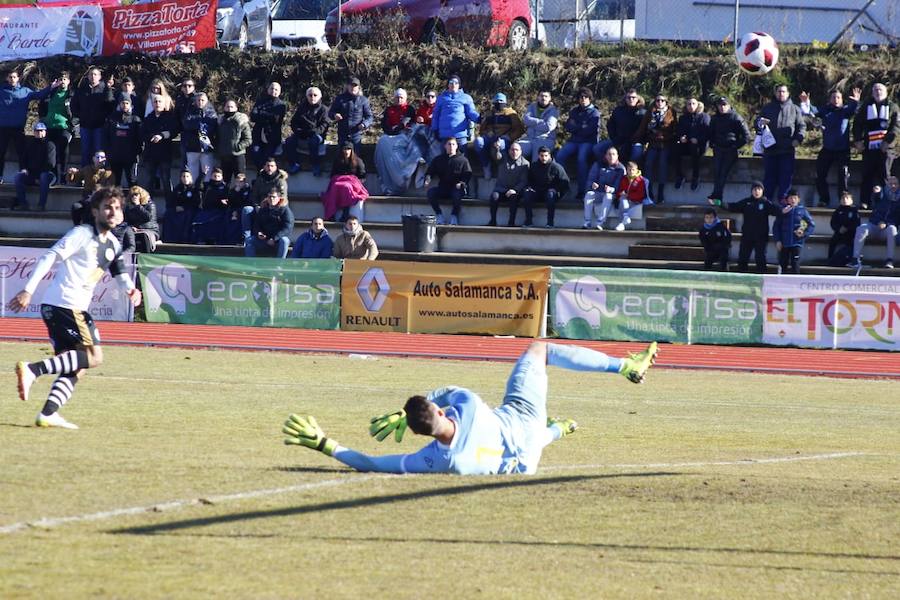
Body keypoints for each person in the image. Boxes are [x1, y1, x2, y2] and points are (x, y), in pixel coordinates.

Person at [282, 341, 659, 475]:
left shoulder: (436, 462)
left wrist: (323, 443)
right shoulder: (471, 405)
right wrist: (403, 408)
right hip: (521, 419)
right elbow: (447, 391)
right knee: (539, 349)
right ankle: (628, 367)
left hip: (523, 463)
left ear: (419, 435)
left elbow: (370, 463)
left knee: (527, 444)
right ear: (442, 413)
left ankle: (561, 428)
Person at [8, 187, 143, 429]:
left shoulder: (112, 242)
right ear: (95, 211)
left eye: (117, 208)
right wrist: (28, 289)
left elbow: (120, 273)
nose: (113, 212)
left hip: (67, 306)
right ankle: (33, 369)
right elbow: (51, 256)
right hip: (66, 304)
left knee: (78, 365)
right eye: (107, 207)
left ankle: (48, 413)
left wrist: (130, 289)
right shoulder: (81, 234)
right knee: (94, 357)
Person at [1, 69, 59, 183]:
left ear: (18, 78)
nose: (12, 79)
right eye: (10, 77)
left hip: (18, 127)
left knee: (22, 152)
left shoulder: (25, 91)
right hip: (3, 126)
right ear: (7, 78)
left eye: (14, 77)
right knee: (1, 152)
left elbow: (39, 95)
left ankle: (23, 174)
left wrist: (51, 87)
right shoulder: (2, 91)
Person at [853, 83, 900, 209]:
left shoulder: (893, 107)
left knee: (885, 175)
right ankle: (865, 201)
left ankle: (887, 202)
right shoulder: (866, 106)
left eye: (880, 89)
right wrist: (858, 140)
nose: (878, 92)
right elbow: (857, 124)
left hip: (886, 149)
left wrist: (887, 142)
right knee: (867, 175)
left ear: (886, 92)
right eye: (875, 90)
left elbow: (896, 127)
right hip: (869, 147)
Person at [758, 85, 805, 203]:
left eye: (783, 91)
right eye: (779, 91)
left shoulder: (795, 109)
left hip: (787, 149)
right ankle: (766, 200)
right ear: (775, 93)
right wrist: (760, 123)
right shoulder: (767, 108)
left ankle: (783, 200)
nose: (781, 94)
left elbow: (802, 126)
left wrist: (798, 139)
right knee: (769, 177)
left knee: (786, 178)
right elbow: (757, 122)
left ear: (788, 93)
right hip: (770, 149)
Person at [815, 88, 861, 207]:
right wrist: (806, 104)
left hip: (842, 149)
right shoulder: (825, 110)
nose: (836, 100)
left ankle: (843, 200)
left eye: (838, 98)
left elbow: (854, 109)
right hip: (828, 148)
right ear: (830, 99)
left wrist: (856, 101)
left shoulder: (845, 110)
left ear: (841, 99)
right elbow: (814, 113)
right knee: (820, 173)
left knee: (843, 174)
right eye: (833, 97)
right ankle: (824, 199)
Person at [720, 181, 779, 273]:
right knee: (743, 258)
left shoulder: (766, 203)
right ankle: (741, 278)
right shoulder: (746, 202)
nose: (757, 191)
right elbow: (732, 206)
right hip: (747, 236)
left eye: (759, 189)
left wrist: (785, 209)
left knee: (760, 258)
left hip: (761, 237)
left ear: (762, 191)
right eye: (755, 189)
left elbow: (777, 211)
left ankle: (761, 279)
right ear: (752, 191)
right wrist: (719, 203)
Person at [374, 88, 421, 195]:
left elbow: (409, 123)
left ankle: (402, 179)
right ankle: (386, 182)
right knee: (382, 142)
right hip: (391, 135)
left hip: (405, 136)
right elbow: (386, 126)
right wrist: (396, 128)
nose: (399, 99)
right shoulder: (389, 110)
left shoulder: (409, 109)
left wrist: (399, 127)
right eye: (397, 97)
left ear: (405, 99)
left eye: (401, 97)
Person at [556, 88, 601, 198]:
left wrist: (576, 126)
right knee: (559, 155)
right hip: (574, 141)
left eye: (586, 97)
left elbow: (591, 130)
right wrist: (581, 127)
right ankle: (563, 185)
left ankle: (582, 190)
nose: (583, 99)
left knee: (581, 159)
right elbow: (567, 127)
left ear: (590, 99)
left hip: (589, 141)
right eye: (581, 97)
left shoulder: (594, 112)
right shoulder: (574, 111)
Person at [634, 93, 677, 203]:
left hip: (665, 143)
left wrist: (665, 136)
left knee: (663, 164)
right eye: (657, 100)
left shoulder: (671, 112)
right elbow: (642, 128)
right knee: (648, 164)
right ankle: (649, 192)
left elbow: (674, 129)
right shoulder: (650, 112)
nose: (660, 103)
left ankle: (661, 193)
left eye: (662, 100)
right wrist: (636, 139)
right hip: (652, 143)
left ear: (666, 102)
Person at [848, 177, 899, 270]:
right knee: (861, 228)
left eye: (895, 183)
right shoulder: (883, 193)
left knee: (893, 229)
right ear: (887, 184)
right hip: (874, 225)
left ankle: (889, 260)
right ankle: (855, 259)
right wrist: (877, 192)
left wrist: (886, 224)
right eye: (890, 183)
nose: (893, 186)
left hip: (887, 229)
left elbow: (897, 218)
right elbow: (876, 198)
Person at [707, 97, 750, 204]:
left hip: (730, 149)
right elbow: (710, 133)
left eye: (724, 105)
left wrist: (735, 146)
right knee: (717, 173)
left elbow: (747, 136)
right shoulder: (715, 118)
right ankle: (716, 196)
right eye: (720, 105)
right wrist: (712, 144)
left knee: (723, 173)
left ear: (729, 105)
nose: (722, 107)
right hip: (718, 149)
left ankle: (717, 196)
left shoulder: (736, 117)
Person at [474, 92, 525, 179]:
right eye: (497, 101)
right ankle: (486, 165)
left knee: (500, 146)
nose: (499, 103)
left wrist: (509, 137)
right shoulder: (489, 114)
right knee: (478, 142)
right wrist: (487, 133)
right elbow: (482, 129)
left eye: (501, 101)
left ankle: (502, 168)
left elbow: (519, 129)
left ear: (505, 102)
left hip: (504, 138)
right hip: (490, 137)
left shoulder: (511, 114)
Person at [71, 67, 115, 166]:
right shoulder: (82, 89)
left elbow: (110, 105)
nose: (93, 76)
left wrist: (108, 89)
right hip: (84, 125)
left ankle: (99, 176)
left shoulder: (104, 89)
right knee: (85, 151)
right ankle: (84, 175)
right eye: (91, 74)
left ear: (99, 77)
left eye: (95, 74)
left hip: (99, 126)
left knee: (99, 152)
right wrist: (79, 116)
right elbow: (74, 104)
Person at [425, 137, 472, 225]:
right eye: (449, 144)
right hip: (443, 187)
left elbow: (467, 175)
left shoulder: (463, 160)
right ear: (445, 146)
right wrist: (427, 179)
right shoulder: (438, 159)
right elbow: (430, 171)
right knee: (431, 193)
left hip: (457, 188)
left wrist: (462, 183)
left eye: (453, 144)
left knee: (457, 195)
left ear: (457, 146)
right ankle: (439, 215)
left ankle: (454, 216)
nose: (451, 146)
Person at [38, 71, 74, 182]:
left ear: (68, 81)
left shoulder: (71, 94)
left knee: (63, 150)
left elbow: (76, 110)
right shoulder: (51, 93)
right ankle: (53, 175)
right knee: (50, 152)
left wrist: (73, 126)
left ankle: (63, 175)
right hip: (50, 126)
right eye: (60, 79)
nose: (62, 81)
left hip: (64, 127)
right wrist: (50, 88)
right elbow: (41, 103)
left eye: (64, 79)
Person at [285, 86, 330, 177]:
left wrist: (314, 132)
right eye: (310, 95)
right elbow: (294, 122)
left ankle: (315, 165)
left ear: (320, 97)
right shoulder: (301, 108)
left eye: (315, 95)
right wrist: (298, 131)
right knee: (289, 141)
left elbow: (324, 125)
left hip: (317, 134)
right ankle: (294, 164)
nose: (312, 97)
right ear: (307, 96)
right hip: (302, 133)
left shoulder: (324, 109)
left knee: (314, 141)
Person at [13, 122, 56, 211]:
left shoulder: (50, 145)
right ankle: (23, 204)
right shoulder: (30, 144)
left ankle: (41, 205)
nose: (39, 133)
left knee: (44, 176)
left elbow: (50, 164)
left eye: (41, 131)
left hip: (48, 174)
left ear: (45, 132)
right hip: (32, 175)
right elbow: (23, 159)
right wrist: (24, 169)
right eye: (37, 131)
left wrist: (38, 177)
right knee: (18, 177)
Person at [523, 146, 570, 228]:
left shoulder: (557, 167)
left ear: (549, 156)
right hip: (537, 192)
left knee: (550, 195)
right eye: (541, 156)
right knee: (527, 194)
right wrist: (529, 187)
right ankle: (528, 221)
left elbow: (565, 183)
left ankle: (550, 223)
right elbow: (529, 180)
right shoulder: (534, 166)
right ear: (538, 156)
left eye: (546, 156)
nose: (543, 158)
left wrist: (556, 190)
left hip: (551, 193)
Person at [140, 95, 178, 194]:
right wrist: (151, 136)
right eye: (155, 102)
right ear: (152, 104)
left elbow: (174, 131)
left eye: (160, 102)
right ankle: (148, 206)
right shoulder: (148, 118)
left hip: (165, 153)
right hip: (150, 154)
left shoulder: (169, 117)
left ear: (164, 104)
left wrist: (161, 135)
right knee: (149, 181)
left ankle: (170, 206)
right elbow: (142, 133)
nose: (157, 104)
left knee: (166, 181)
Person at [431, 75, 480, 151]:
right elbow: (436, 115)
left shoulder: (466, 97)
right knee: (444, 159)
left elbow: (471, 112)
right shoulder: (441, 98)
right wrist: (435, 130)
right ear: (448, 84)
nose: (453, 85)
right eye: (451, 82)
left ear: (459, 85)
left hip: (460, 134)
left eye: (456, 83)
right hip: (444, 135)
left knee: (461, 158)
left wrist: (479, 118)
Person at [322, 142, 369, 222]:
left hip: (353, 184)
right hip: (339, 182)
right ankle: (331, 214)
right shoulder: (337, 160)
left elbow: (362, 176)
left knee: (346, 187)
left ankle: (345, 213)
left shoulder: (358, 161)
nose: (346, 151)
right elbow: (333, 174)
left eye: (348, 149)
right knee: (335, 187)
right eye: (345, 149)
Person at [772, 188, 815, 274]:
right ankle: (781, 282)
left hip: (797, 243)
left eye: (795, 198)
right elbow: (776, 227)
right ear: (787, 199)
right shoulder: (783, 211)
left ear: (798, 199)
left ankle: (796, 283)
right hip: (784, 243)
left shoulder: (802, 210)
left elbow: (811, 224)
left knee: (795, 263)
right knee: (783, 263)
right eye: (791, 198)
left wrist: (803, 233)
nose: (793, 200)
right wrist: (778, 240)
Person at [583, 146, 626, 230]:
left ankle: (600, 223)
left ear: (617, 156)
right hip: (598, 192)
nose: (611, 156)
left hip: (612, 194)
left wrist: (611, 189)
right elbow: (590, 179)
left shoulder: (621, 169)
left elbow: (620, 186)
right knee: (589, 194)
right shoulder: (598, 164)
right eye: (609, 154)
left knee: (608, 196)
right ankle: (587, 222)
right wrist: (592, 185)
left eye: (613, 154)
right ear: (605, 156)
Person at [67, 150, 114, 225]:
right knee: (76, 207)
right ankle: (77, 227)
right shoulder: (87, 169)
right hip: (87, 198)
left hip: (100, 201)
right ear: (93, 159)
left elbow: (110, 189)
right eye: (98, 157)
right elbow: (73, 179)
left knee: (90, 209)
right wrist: (71, 173)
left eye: (102, 157)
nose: (99, 159)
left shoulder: (108, 173)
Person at [488, 142, 529, 227]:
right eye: (512, 150)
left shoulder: (525, 164)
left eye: (516, 150)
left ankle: (511, 222)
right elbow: (496, 156)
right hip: (501, 189)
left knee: (513, 198)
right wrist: (496, 148)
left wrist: (515, 190)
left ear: (521, 151)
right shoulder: (503, 159)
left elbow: (524, 181)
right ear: (509, 151)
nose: (514, 152)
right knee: (494, 196)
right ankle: (492, 221)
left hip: (515, 192)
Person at [104, 96, 142, 188]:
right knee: (115, 184)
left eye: (127, 103)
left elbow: (140, 138)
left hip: (131, 157)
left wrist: (138, 152)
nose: (124, 105)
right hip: (115, 156)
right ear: (119, 104)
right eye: (123, 103)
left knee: (132, 182)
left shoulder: (136, 120)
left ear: (131, 105)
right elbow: (106, 137)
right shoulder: (111, 119)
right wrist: (108, 152)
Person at [244, 188, 294, 258]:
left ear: (279, 198)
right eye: (269, 197)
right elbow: (257, 224)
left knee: (285, 241)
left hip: (277, 240)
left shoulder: (285, 210)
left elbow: (287, 228)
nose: (271, 199)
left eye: (274, 197)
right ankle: (251, 263)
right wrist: (259, 232)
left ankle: (279, 265)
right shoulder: (263, 208)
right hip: (264, 240)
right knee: (249, 240)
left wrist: (274, 238)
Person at [674, 97, 710, 192]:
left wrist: (698, 139)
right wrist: (681, 137)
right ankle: (679, 176)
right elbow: (679, 131)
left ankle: (695, 177)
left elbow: (707, 133)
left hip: (699, 145)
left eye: (693, 104)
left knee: (695, 149)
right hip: (687, 143)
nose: (691, 106)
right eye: (689, 104)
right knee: (675, 149)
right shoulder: (683, 118)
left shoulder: (704, 117)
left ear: (697, 105)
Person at [329, 76, 373, 153]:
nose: (353, 87)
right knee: (341, 157)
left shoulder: (363, 100)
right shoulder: (340, 99)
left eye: (355, 85)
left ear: (359, 87)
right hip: (343, 133)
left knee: (355, 157)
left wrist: (364, 124)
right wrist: (335, 115)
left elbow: (369, 117)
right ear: (347, 86)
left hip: (356, 134)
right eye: (351, 85)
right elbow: (330, 113)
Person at [181, 91, 218, 183]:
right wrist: (199, 125)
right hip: (192, 146)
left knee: (207, 172)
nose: (200, 102)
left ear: (206, 101)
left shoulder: (211, 112)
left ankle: (206, 192)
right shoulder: (190, 111)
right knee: (192, 173)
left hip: (206, 147)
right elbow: (186, 124)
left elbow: (212, 126)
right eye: (198, 100)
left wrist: (200, 126)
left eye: (202, 100)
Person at [602, 89, 646, 164]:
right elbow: (610, 125)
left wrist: (641, 140)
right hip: (619, 139)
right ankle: (607, 168)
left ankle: (632, 170)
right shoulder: (618, 111)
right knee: (597, 149)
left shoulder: (643, 113)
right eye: (628, 97)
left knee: (637, 150)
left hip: (636, 141)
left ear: (638, 99)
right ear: (625, 99)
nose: (631, 99)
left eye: (633, 97)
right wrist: (614, 137)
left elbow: (646, 130)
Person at [249, 82, 287, 170]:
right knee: (255, 152)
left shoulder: (281, 105)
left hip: (272, 138)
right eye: (272, 88)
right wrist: (268, 115)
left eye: (276, 89)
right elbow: (253, 116)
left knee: (267, 158)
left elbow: (275, 119)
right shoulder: (260, 101)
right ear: (268, 90)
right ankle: (261, 173)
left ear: (279, 92)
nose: (273, 91)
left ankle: (262, 175)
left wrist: (261, 113)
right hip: (258, 136)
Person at [217, 99, 252, 185]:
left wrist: (238, 147)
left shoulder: (242, 121)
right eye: (227, 106)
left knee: (240, 180)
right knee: (224, 181)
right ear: (224, 108)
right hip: (224, 155)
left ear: (236, 108)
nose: (229, 109)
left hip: (238, 155)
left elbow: (248, 139)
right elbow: (217, 137)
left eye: (232, 107)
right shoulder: (220, 121)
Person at [192, 167, 230, 244]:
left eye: (218, 176)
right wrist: (203, 174)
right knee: (199, 220)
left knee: (217, 222)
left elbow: (229, 199)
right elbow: (197, 186)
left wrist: (226, 202)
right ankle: (201, 239)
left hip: (219, 211)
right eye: (214, 176)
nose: (216, 178)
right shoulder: (207, 185)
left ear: (221, 177)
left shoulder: (225, 188)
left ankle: (215, 240)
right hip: (207, 210)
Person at [519, 90, 559, 162]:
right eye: (541, 96)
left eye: (546, 96)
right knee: (516, 149)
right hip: (530, 138)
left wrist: (532, 123)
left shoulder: (553, 110)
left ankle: (535, 172)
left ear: (550, 98)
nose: (543, 98)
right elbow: (525, 120)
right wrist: (540, 121)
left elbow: (548, 127)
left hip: (546, 139)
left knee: (538, 156)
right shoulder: (532, 106)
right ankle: (519, 172)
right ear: (538, 97)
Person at [163, 169, 201, 243]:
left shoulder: (194, 188)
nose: (185, 178)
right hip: (178, 209)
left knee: (188, 215)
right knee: (168, 213)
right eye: (183, 176)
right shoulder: (177, 188)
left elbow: (196, 202)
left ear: (191, 177)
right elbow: (172, 201)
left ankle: (185, 239)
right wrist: (176, 207)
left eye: (187, 176)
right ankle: (169, 239)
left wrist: (184, 207)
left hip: (190, 210)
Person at [612, 161, 650, 231]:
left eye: (633, 170)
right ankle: (624, 219)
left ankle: (622, 221)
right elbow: (619, 191)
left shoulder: (641, 180)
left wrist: (628, 196)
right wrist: (621, 194)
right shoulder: (624, 179)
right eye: (629, 170)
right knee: (622, 200)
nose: (631, 171)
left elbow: (640, 194)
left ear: (637, 170)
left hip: (636, 201)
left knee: (622, 202)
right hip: (626, 200)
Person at [124, 185, 160, 252]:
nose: (134, 197)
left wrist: (138, 206)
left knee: (144, 236)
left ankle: (146, 257)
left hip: (150, 230)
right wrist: (131, 227)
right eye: (132, 195)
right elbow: (126, 220)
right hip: (135, 230)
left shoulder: (150, 204)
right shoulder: (129, 207)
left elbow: (148, 217)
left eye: (136, 194)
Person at [827, 191, 860, 265]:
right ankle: (830, 258)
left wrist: (848, 228)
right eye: (843, 198)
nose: (845, 200)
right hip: (839, 232)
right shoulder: (837, 211)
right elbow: (833, 222)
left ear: (851, 201)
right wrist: (838, 229)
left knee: (851, 244)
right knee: (833, 242)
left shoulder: (854, 211)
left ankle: (850, 259)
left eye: (847, 198)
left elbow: (857, 223)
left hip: (850, 233)